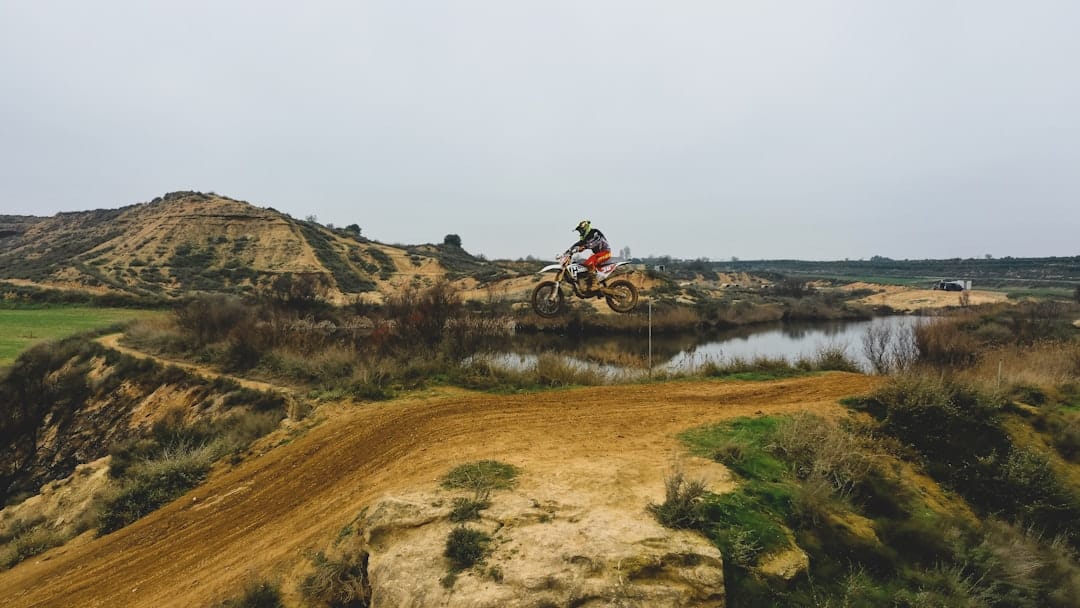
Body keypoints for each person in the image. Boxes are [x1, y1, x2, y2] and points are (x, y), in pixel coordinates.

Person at [570, 219, 611, 291]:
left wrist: (584, 246)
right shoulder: (586, 237)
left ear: (586, 228)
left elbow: (595, 242)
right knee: (582, 263)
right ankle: (588, 282)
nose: (581, 232)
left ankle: (595, 284)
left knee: (589, 263)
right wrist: (569, 250)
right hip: (598, 254)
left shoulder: (595, 232)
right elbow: (579, 243)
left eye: (581, 230)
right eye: (580, 231)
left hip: (605, 252)